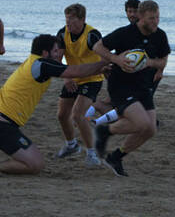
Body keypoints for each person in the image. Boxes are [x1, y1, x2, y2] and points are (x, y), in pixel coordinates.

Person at [0, 34, 107, 174]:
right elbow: (77, 71)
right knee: (35, 164)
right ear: (45, 53)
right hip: (3, 124)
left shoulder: (33, 62)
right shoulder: (42, 64)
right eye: (56, 51)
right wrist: (108, 61)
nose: (59, 54)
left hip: (6, 122)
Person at [93, 0, 170, 176]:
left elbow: (163, 61)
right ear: (140, 17)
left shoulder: (160, 36)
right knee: (141, 123)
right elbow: (98, 47)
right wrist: (116, 59)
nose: (156, 22)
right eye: (151, 18)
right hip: (121, 86)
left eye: (157, 17)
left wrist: (150, 63)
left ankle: (116, 156)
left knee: (150, 129)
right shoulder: (125, 33)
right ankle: (104, 130)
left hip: (143, 86)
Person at [55, 3, 104, 167]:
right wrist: (66, 78)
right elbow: (57, 60)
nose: (68, 23)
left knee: (77, 115)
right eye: (66, 19)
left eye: (72, 19)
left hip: (92, 78)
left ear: (82, 19)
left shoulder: (92, 35)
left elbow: (104, 56)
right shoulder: (63, 34)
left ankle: (91, 154)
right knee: (62, 115)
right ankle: (71, 145)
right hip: (73, 77)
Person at [85, 0, 141, 121]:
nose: (132, 14)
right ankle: (90, 119)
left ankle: (89, 117)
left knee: (114, 103)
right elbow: (99, 47)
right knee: (123, 107)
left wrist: (159, 71)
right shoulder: (123, 32)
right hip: (122, 74)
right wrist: (110, 62)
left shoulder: (147, 32)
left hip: (137, 75)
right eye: (129, 11)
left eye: (135, 11)